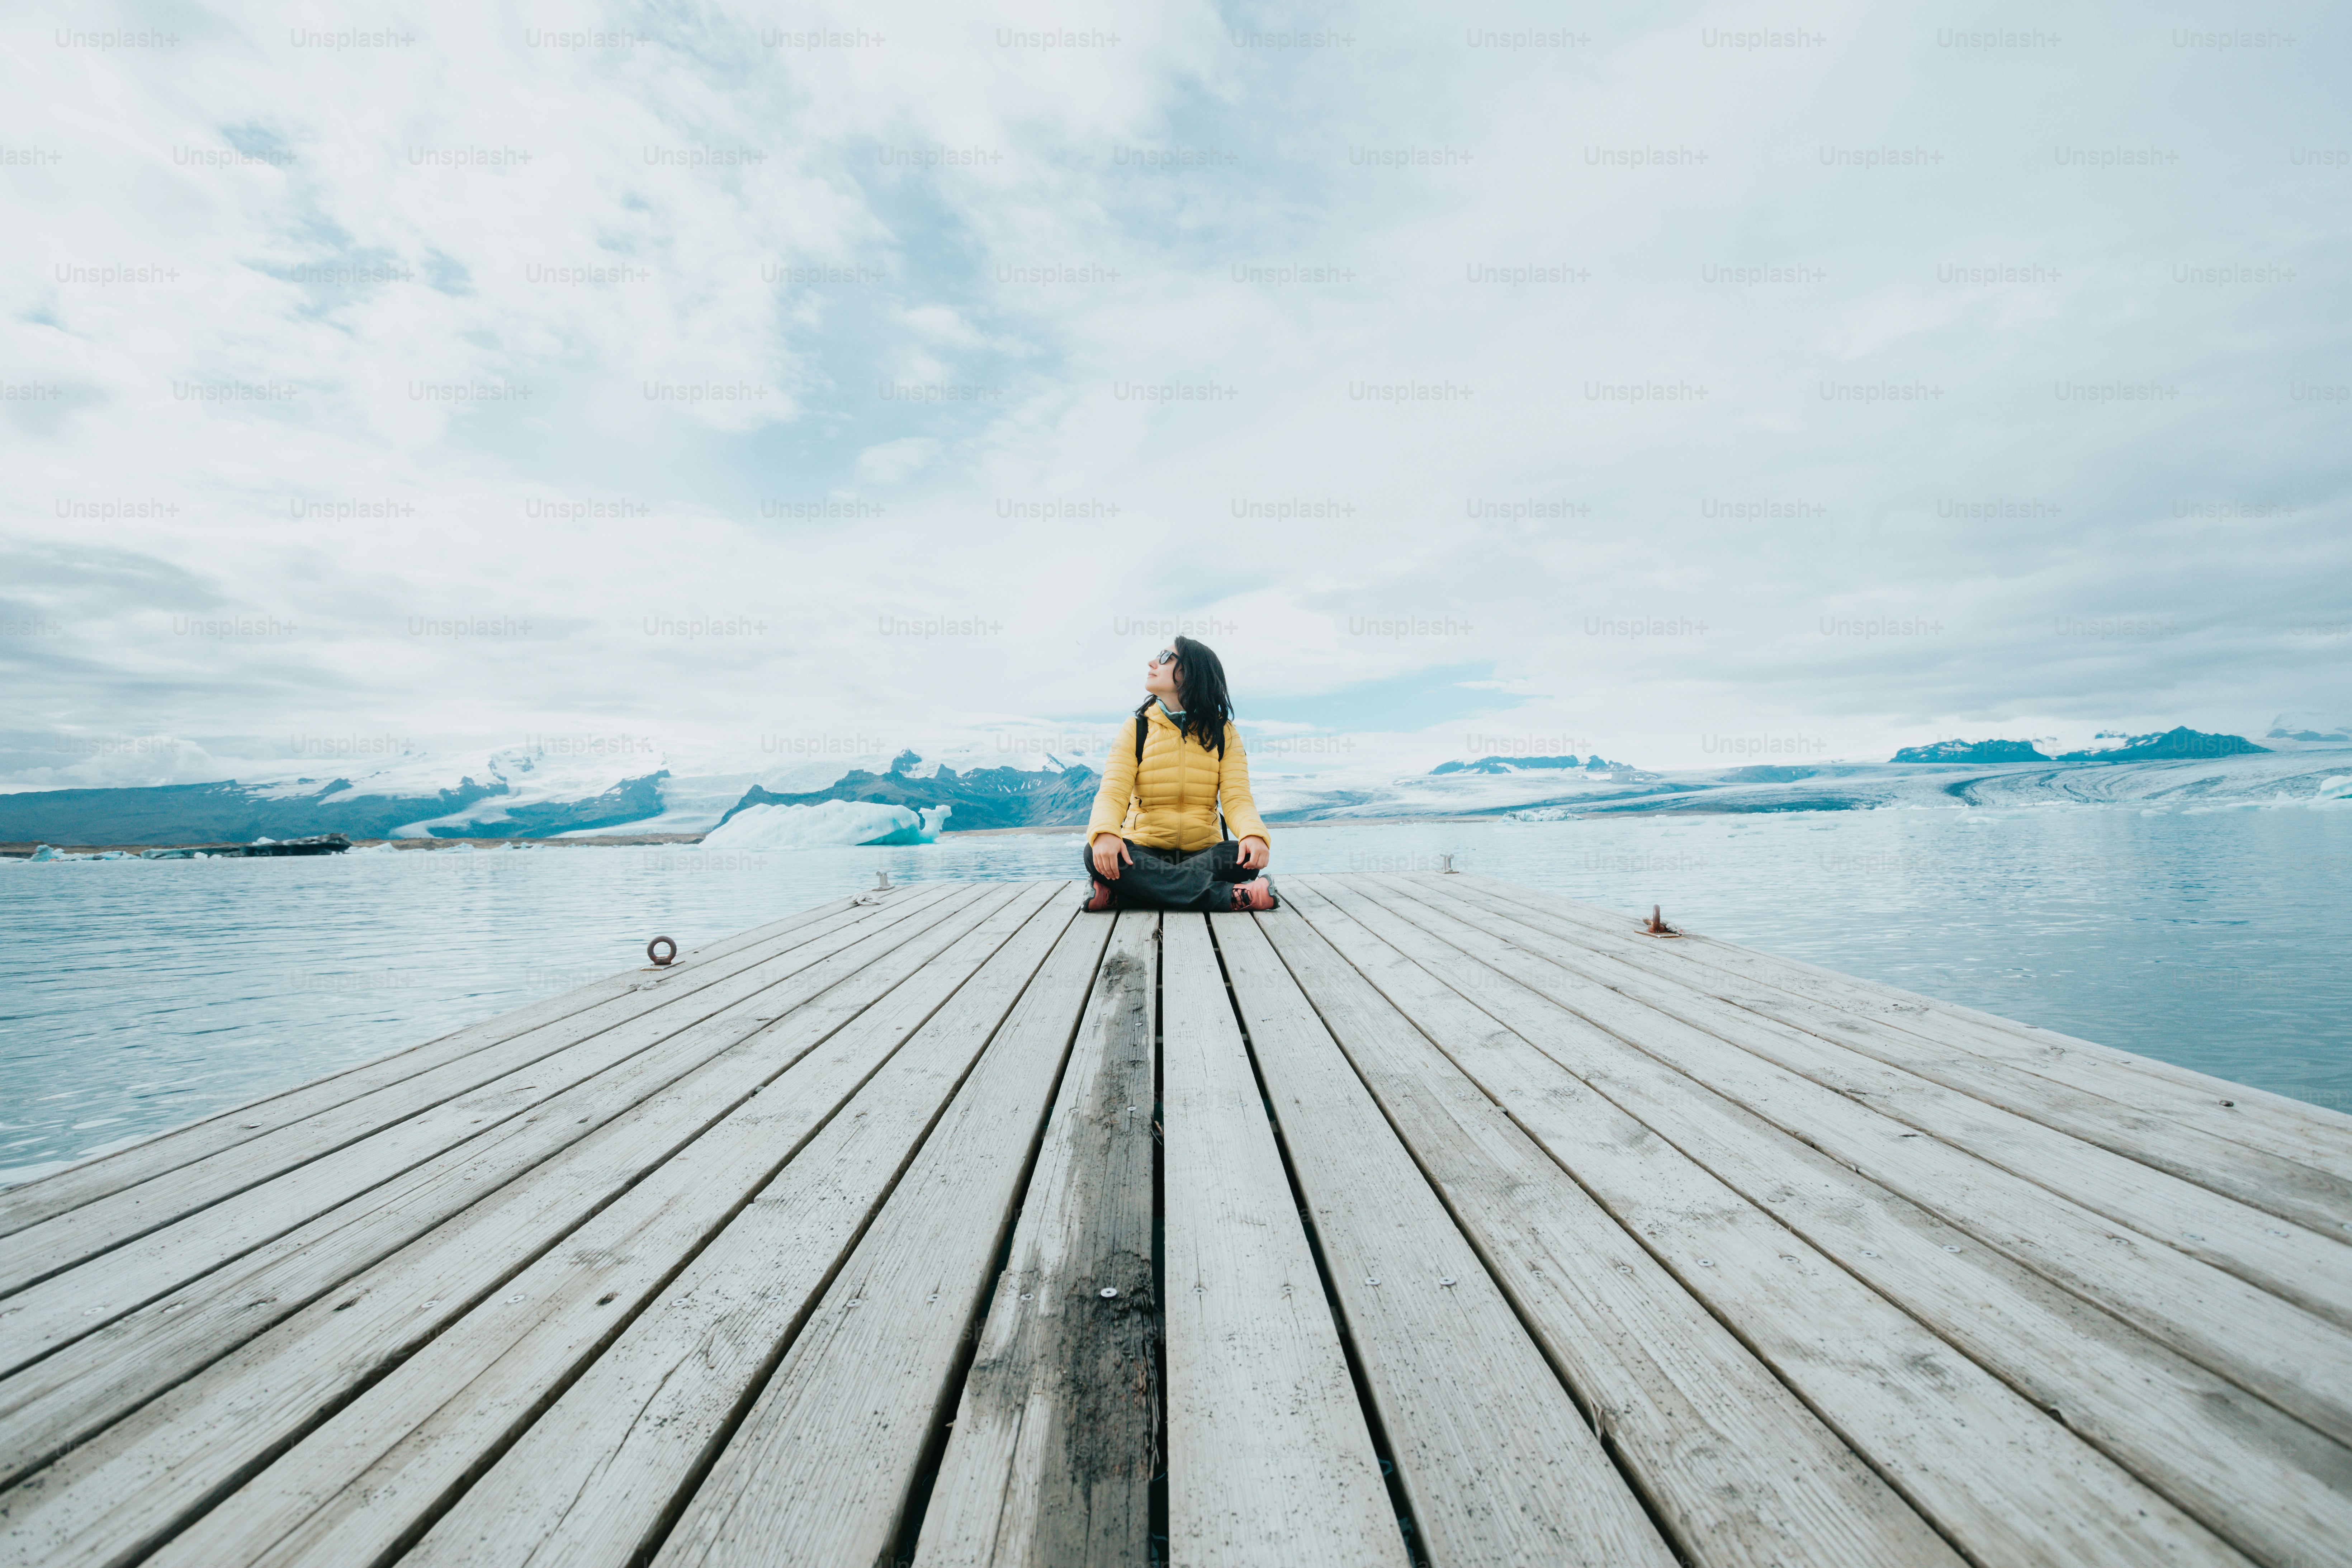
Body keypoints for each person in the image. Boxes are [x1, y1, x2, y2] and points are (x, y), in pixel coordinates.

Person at [1081, 637, 1276, 913]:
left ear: (1192, 672)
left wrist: (1253, 834)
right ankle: (1226, 896)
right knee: (1094, 852)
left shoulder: (1224, 732)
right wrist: (1104, 833)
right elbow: (1113, 792)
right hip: (1143, 852)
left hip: (1204, 852)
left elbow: (1237, 798)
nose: (1152, 663)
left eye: (1165, 657)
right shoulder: (1137, 728)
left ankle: (1123, 896)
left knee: (1238, 856)